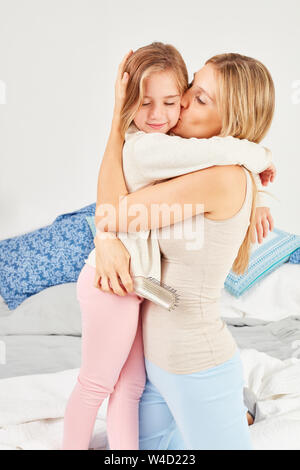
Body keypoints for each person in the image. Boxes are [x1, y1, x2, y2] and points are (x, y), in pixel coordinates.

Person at [62, 43, 275, 450]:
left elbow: (112, 213)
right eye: (192, 87)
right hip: (158, 364)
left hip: (193, 362)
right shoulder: (190, 163)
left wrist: (107, 237)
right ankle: (237, 408)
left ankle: (232, 405)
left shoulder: (222, 176)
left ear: (229, 119)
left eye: (199, 98)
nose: (180, 106)